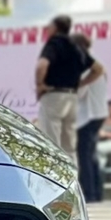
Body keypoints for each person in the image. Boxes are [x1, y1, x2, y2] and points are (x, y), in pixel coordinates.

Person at [34, 14, 86, 152]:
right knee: (69, 143)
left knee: (51, 138)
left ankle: (54, 172)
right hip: (72, 96)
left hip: (54, 94)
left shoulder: (54, 43)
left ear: (55, 28)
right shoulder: (75, 46)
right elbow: (92, 68)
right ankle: (72, 173)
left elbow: (42, 65)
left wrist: (40, 85)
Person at [70, 32, 108, 202]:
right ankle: (97, 192)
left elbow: (79, 92)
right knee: (91, 156)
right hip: (98, 113)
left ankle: (90, 194)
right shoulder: (97, 65)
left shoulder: (85, 67)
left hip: (88, 115)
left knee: (84, 156)